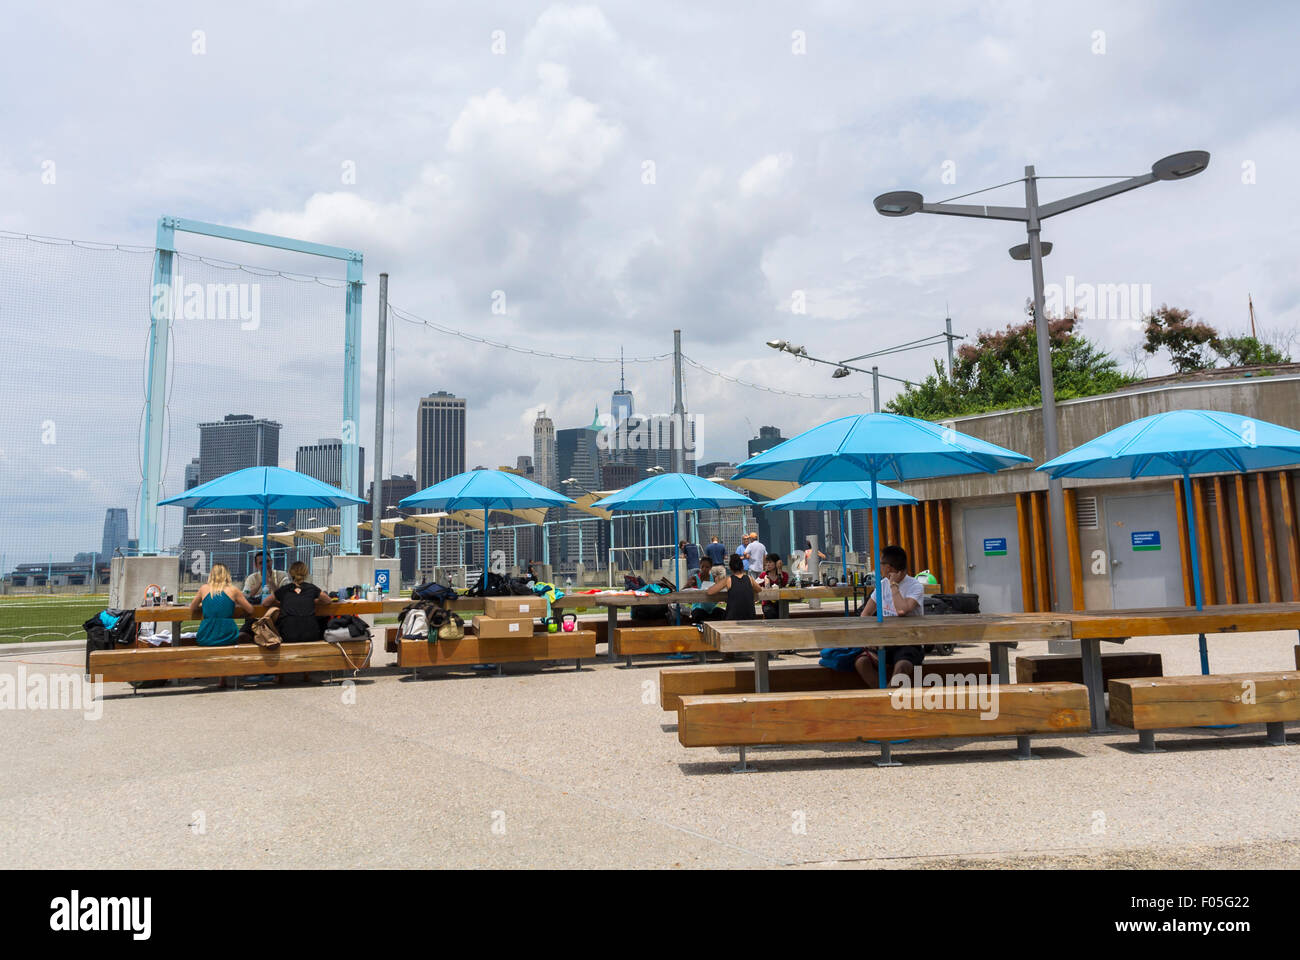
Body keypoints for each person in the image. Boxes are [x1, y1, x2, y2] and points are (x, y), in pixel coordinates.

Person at [854, 544, 927, 688]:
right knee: (861, 662)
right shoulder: (882, 585)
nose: (879, 568)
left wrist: (893, 585)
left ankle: (887, 697)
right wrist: (868, 636)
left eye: (881, 564)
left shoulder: (915, 586)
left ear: (889, 567)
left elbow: (902, 610)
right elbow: (866, 613)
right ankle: (883, 695)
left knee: (902, 666)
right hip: (884, 641)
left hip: (908, 642)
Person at [189, 563, 256, 689]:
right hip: (227, 634)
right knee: (240, 639)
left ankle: (219, 677)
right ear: (227, 575)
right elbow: (251, 610)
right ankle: (223, 678)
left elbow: (192, 608)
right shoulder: (233, 590)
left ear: (211, 575)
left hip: (206, 633)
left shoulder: (204, 589)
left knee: (215, 643)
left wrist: (205, 605)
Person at [267, 561, 332, 644]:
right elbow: (328, 600)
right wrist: (314, 601)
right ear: (306, 573)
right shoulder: (312, 588)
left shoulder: (284, 589)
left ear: (290, 574)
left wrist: (282, 602)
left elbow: (266, 603)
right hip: (311, 634)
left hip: (288, 635)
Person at [707, 554, 761, 621]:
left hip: (733, 617)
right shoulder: (749, 578)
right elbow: (759, 589)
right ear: (743, 567)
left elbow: (710, 592)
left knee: (716, 610)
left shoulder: (728, 580)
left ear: (730, 568)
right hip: (750, 616)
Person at [687, 556, 726, 623]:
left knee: (722, 613)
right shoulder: (694, 579)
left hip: (711, 609)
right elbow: (684, 590)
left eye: (707, 567)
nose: (704, 569)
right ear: (700, 566)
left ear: (711, 567)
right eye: (702, 567)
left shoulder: (714, 578)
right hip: (698, 608)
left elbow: (721, 591)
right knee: (698, 614)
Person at [759, 554, 789, 619]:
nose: (768, 564)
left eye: (770, 562)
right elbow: (758, 587)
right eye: (767, 562)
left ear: (776, 563)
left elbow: (783, 584)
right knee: (770, 613)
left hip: (780, 601)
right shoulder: (763, 575)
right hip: (767, 603)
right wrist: (766, 584)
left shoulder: (784, 574)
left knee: (783, 612)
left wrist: (779, 569)